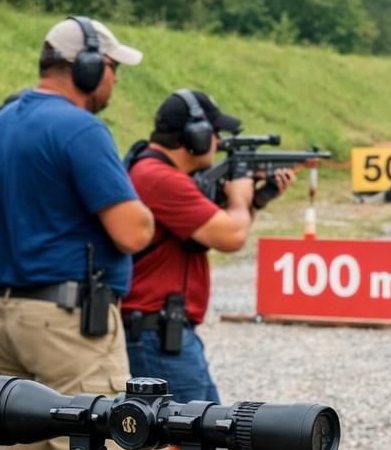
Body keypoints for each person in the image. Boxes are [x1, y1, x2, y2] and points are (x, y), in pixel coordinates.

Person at [0, 17, 153, 442]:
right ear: (87, 67)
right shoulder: (81, 129)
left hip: (4, 314)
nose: (115, 79)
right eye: (112, 67)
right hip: (66, 325)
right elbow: (133, 233)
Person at [122, 89, 292, 402]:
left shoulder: (161, 173)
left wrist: (255, 201)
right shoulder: (160, 178)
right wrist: (239, 198)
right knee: (191, 428)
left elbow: (220, 230)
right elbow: (231, 236)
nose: (217, 141)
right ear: (195, 135)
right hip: (157, 333)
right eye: (214, 132)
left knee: (205, 425)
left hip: (166, 330)